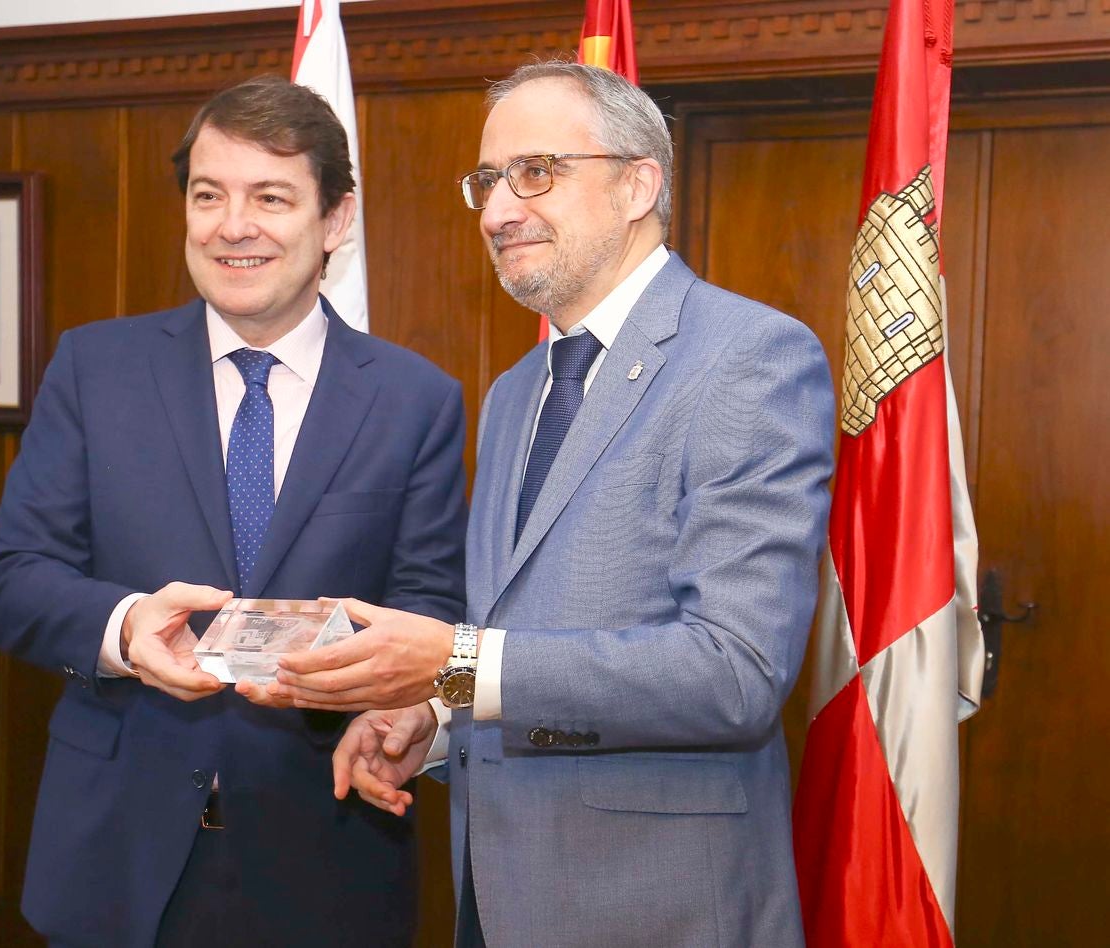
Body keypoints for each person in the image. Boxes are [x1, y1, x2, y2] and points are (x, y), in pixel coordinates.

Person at [260, 62, 836, 946]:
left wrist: (452, 661)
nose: (496, 211)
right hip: (496, 898)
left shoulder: (749, 358)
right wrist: (432, 713)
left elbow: (735, 674)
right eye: (487, 182)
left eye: (536, 173)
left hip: (658, 910)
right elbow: (515, 632)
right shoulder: (517, 389)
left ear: (639, 182)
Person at [0, 76, 467, 948]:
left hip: (330, 854)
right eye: (209, 196)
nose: (233, 225)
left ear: (335, 220)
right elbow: (10, 581)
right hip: (112, 859)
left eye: (270, 197)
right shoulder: (95, 369)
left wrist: (407, 715)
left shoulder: (415, 400)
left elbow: (432, 610)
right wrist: (126, 630)